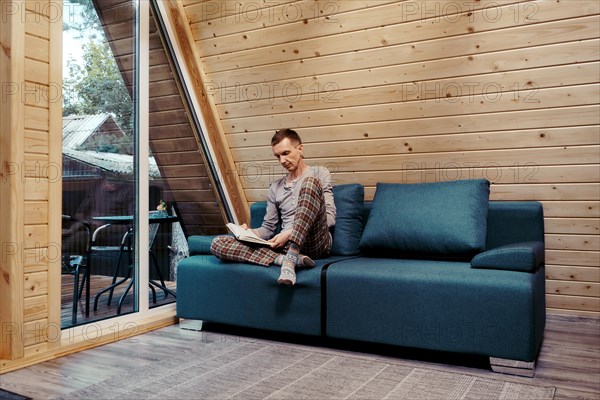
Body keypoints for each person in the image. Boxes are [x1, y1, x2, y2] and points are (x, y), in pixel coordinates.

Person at [210, 128, 336, 286]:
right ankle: (284, 259)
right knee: (218, 243)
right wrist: (247, 232)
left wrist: (290, 233)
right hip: (286, 247)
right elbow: (268, 229)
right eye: (278, 156)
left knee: (310, 183)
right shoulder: (275, 188)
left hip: (316, 241)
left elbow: (330, 219)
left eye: (285, 153)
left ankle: (290, 260)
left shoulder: (319, 173)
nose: (282, 161)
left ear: (300, 149)